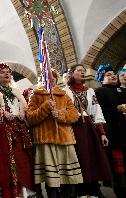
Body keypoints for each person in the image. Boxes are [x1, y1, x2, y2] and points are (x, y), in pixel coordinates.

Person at [26, 69, 83, 198]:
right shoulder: (35, 95)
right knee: (51, 179)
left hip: (65, 139)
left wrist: (61, 115)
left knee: (68, 177)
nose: (51, 79)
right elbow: (30, 118)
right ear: (42, 79)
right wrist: (45, 107)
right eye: (47, 77)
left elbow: (74, 115)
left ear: (56, 79)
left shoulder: (63, 95)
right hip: (46, 140)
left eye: (53, 77)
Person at [64, 64, 112, 198]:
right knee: (79, 158)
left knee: (93, 157)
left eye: (84, 71)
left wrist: (102, 133)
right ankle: (80, 190)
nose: (83, 72)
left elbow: (96, 111)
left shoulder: (90, 91)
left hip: (89, 128)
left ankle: (94, 188)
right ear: (72, 73)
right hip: (73, 128)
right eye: (79, 70)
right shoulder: (65, 92)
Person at [0, 63, 34, 198]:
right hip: (4, 130)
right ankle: (15, 191)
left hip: (20, 129)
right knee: (9, 159)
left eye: (8, 72)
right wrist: (2, 112)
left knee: (23, 159)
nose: (7, 74)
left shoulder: (16, 91)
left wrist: (22, 112)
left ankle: (27, 190)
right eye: (3, 72)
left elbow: (23, 106)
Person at [95, 64, 126, 198]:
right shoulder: (99, 92)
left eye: (114, 74)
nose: (113, 75)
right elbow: (99, 113)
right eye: (108, 75)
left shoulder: (125, 91)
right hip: (114, 138)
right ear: (102, 79)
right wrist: (116, 109)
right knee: (120, 175)